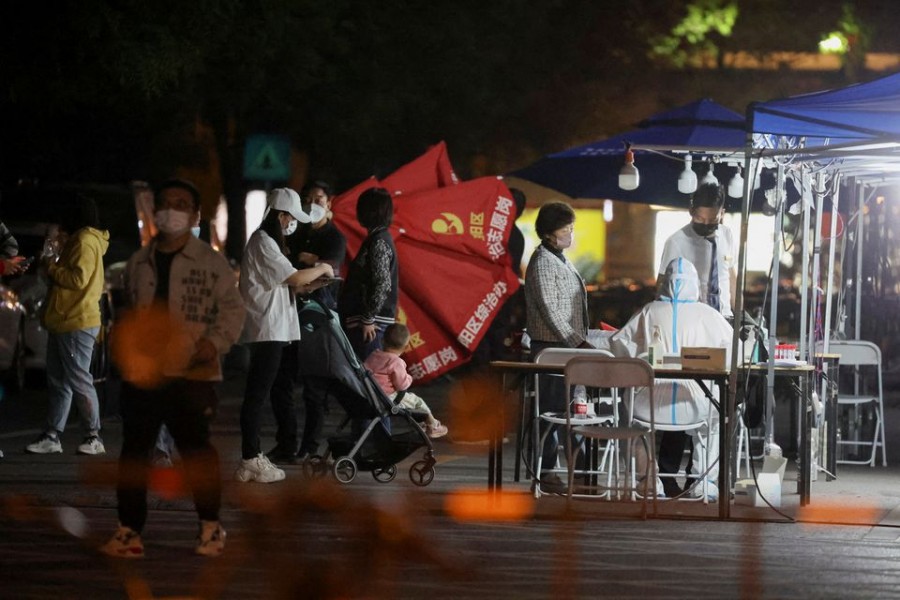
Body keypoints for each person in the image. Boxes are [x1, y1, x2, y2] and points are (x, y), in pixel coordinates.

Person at [100, 178, 245, 558]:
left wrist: (213, 344)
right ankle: (129, 532)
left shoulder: (210, 262)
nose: (172, 210)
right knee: (134, 455)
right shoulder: (139, 262)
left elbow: (232, 311)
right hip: (144, 376)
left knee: (196, 454)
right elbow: (129, 312)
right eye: (166, 203)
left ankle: (210, 528)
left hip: (192, 374)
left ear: (195, 215)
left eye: (181, 204)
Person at [610, 257, 733, 500]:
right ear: (695, 284)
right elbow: (733, 352)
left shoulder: (648, 312)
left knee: (631, 419)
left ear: (664, 283)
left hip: (649, 406)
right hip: (696, 405)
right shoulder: (709, 315)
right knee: (715, 423)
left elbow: (619, 345)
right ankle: (704, 482)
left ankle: (648, 482)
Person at [237, 188, 332, 477]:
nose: (293, 224)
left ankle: (252, 457)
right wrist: (322, 267)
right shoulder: (264, 242)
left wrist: (311, 285)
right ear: (281, 215)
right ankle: (250, 458)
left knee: (260, 392)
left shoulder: (269, 243)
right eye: (291, 218)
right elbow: (293, 276)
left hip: (273, 327)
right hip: (266, 328)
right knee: (257, 394)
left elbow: (290, 284)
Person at [655, 182, 737, 496]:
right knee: (683, 398)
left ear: (722, 214)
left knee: (714, 406)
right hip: (687, 326)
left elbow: (730, 277)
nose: (706, 226)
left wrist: (734, 311)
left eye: (713, 221)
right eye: (701, 221)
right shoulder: (676, 240)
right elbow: (661, 283)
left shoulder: (728, 235)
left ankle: (701, 477)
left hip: (720, 323)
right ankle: (667, 473)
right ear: (691, 212)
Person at [25, 195, 109, 456]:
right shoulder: (82, 240)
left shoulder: (84, 241)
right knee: (60, 380)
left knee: (78, 379)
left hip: (76, 321)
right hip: (65, 320)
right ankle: (52, 435)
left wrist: (51, 266)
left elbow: (78, 279)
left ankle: (93, 436)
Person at [524, 201, 592, 494]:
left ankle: (581, 470)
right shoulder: (542, 262)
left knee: (572, 410)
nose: (571, 234)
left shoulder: (561, 258)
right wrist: (579, 341)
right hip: (551, 347)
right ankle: (549, 472)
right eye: (567, 228)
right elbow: (551, 310)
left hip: (568, 347)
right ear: (550, 233)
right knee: (552, 413)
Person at [290, 180, 348, 460]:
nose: (313, 203)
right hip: (290, 309)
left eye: (319, 198)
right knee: (284, 382)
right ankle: (287, 443)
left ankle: (309, 445)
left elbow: (330, 269)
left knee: (314, 386)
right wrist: (313, 261)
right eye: (308, 198)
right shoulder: (296, 232)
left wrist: (310, 261)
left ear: (330, 202)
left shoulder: (334, 236)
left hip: (319, 314)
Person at [338, 187, 397, 362]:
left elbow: (382, 283)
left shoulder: (378, 241)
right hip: (368, 322)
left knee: (368, 377)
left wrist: (368, 318)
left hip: (371, 326)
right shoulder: (377, 238)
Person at [364, 323, 448, 438]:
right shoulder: (396, 362)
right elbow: (402, 386)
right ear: (405, 347)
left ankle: (423, 425)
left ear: (382, 341)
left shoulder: (373, 355)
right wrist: (409, 378)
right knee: (417, 401)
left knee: (411, 402)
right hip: (387, 398)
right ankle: (433, 425)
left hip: (368, 395)